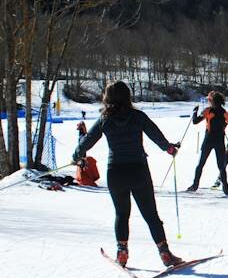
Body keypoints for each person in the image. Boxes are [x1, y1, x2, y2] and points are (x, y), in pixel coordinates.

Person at [73, 81, 182, 267]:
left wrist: (77, 156)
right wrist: (170, 149)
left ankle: (122, 253)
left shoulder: (104, 119)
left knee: (122, 214)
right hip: (138, 170)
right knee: (150, 214)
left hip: (115, 171)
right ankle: (165, 253)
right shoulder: (138, 116)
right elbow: (157, 136)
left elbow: (85, 143)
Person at [187, 91, 228, 196]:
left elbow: (195, 121)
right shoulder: (224, 111)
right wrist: (223, 126)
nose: (208, 101)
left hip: (208, 139)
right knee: (221, 166)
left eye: (209, 100)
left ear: (212, 101)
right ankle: (226, 189)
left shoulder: (208, 111)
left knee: (201, 164)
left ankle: (195, 185)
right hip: (219, 140)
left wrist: (195, 112)